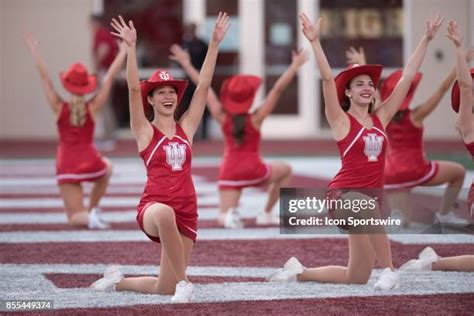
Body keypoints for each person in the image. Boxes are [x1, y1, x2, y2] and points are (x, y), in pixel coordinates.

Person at [267, 12, 443, 290]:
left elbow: (407, 77)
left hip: (369, 202)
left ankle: (298, 271)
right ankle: (389, 268)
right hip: (343, 196)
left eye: (370, 84)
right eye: (359, 84)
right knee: (367, 208)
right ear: (347, 92)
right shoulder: (340, 120)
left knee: (357, 276)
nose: (367, 88)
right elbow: (326, 80)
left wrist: (425, 38)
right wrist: (314, 42)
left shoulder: (381, 117)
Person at [90, 13, 229, 303]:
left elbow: (202, 87)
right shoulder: (143, 131)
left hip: (187, 211)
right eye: (160, 92)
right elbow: (131, 88)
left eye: (171, 92)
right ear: (150, 99)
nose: (168, 96)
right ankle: (185, 283)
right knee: (165, 217)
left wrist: (214, 45)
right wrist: (130, 49)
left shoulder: (186, 128)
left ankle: (119, 282)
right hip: (154, 208)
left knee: (164, 288)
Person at [169, 44, 308, 228]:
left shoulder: (221, 116)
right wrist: (294, 66)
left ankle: (229, 216)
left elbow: (205, 89)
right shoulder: (256, 118)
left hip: (230, 172)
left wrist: (186, 64)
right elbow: (277, 90)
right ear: (250, 97)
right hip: (255, 170)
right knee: (286, 169)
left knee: (221, 216)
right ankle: (266, 213)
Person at [347, 46, 471, 228]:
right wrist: (462, 60)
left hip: (388, 173)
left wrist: (361, 63)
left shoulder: (382, 114)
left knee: (403, 222)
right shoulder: (416, 115)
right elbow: (442, 88)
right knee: (458, 172)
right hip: (416, 170)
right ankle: (445, 214)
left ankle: (396, 218)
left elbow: (374, 95)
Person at [24, 32, 126, 229]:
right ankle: (93, 210)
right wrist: (122, 52)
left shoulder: (58, 106)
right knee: (108, 168)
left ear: (68, 85)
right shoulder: (93, 106)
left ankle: (89, 218)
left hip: (67, 163)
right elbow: (110, 77)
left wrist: (35, 53)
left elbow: (45, 78)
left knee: (74, 218)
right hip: (89, 159)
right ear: (87, 86)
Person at [90, 13, 120, 150]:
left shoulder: (100, 33)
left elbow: (104, 50)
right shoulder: (106, 33)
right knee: (105, 104)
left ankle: (109, 137)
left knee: (104, 104)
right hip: (108, 71)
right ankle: (109, 135)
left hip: (104, 72)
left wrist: (96, 67)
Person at [177, 22, 210, 140]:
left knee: (203, 106)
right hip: (187, 81)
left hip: (201, 78)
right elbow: (179, 62)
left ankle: (204, 133)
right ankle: (189, 131)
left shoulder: (202, 44)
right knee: (187, 106)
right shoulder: (184, 45)